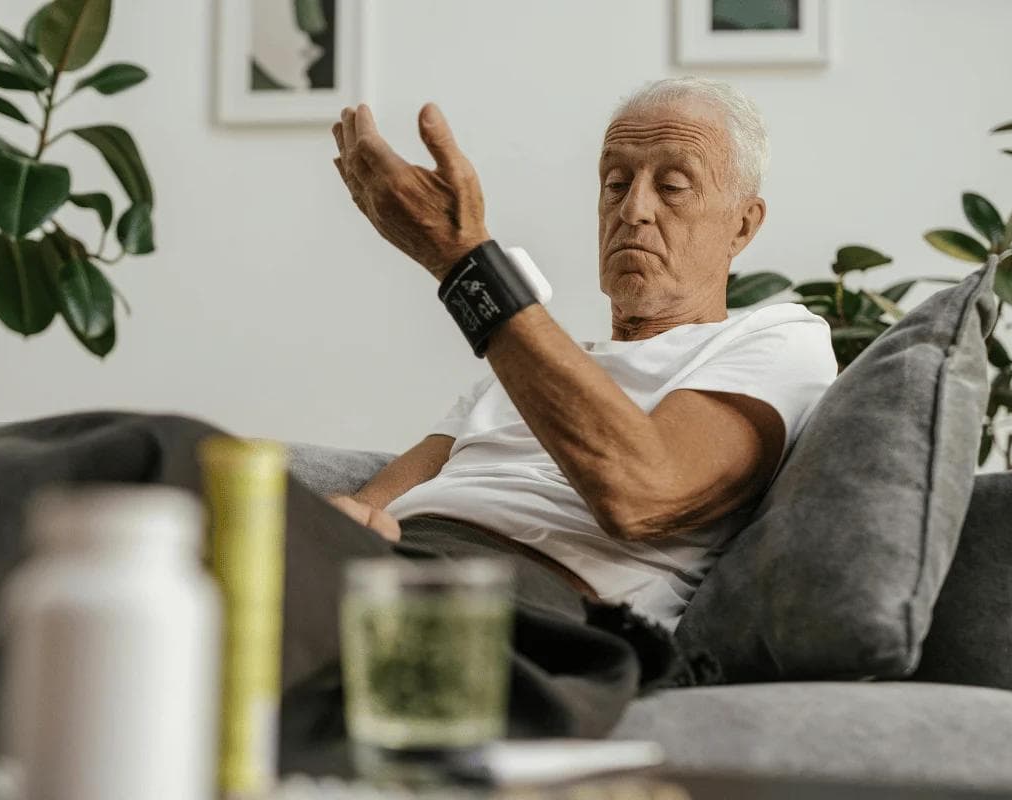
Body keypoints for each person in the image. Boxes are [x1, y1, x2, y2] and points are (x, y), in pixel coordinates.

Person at [325, 77, 838, 633]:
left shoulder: (780, 339)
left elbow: (644, 495)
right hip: (394, 569)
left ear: (743, 224)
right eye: (616, 183)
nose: (633, 209)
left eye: (672, 186)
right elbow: (370, 509)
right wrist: (330, 526)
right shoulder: (529, 365)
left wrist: (464, 262)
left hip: (533, 605)